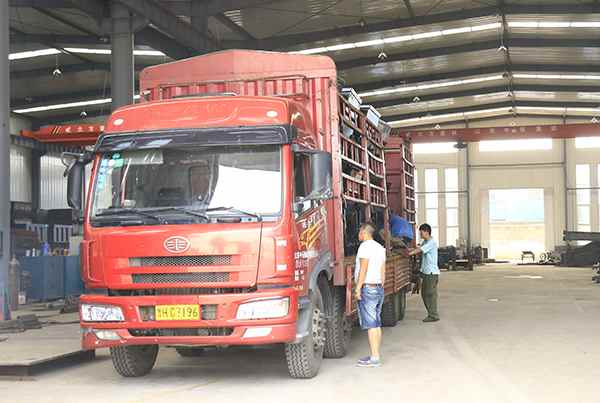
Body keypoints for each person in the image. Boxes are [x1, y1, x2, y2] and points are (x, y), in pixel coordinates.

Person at [354, 222, 387, 367]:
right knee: (376, 323)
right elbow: (383, 270)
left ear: (364, 232)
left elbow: (363, 269)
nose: (358, 234)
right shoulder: (380, 248)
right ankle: (375, 354)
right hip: (378, 287)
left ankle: (374, 358)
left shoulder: (365, 247)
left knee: (371, 325)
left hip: (368, 287)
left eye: (359, 231)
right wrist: (381, 285)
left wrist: (358, 288)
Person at [407, 223, 440, 322]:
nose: (420, 234)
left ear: (426, 231)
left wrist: (407, 253)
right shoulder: (425, 242)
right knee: (424, 293)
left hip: (431, 273)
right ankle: (431, 313)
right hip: (425, 272)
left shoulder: (431, 242)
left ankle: (433, 315)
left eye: (421, 232)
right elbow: (418, 248)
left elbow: (419, 250)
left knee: (430, 294)